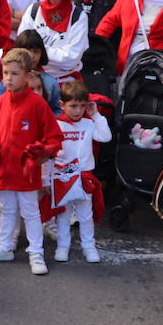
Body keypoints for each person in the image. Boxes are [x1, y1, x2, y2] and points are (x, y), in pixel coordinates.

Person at [0, 48, 63, 275]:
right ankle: (4, 247)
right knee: (7, 210)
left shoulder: (37, 104)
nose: (8, 78)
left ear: (27, 75)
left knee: (31, 212)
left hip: (26, 171)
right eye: (5, 73)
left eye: (14, 73)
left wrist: (42, 153)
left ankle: (36, 252)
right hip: (4, 168)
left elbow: (54, 136)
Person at [50, 82, 111, 263]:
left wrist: (97, 115)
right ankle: (63, 245)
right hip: (63, 176)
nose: (78, 110)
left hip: (85, 176)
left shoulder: (89, 123)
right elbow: (51, 150)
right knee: (63, 214)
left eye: (82, 106)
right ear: (62, 105)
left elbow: (105, 137)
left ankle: (88, 246)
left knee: (86, 215)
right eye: (73, 106)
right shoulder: (57, 125)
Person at [17, 0, 88, 87]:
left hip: (66, 86)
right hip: (34, 82)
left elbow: (70, 59)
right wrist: (55, 54)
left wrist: (38, 52)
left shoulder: (78, 17)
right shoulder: (33, 11)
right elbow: (22, 48)